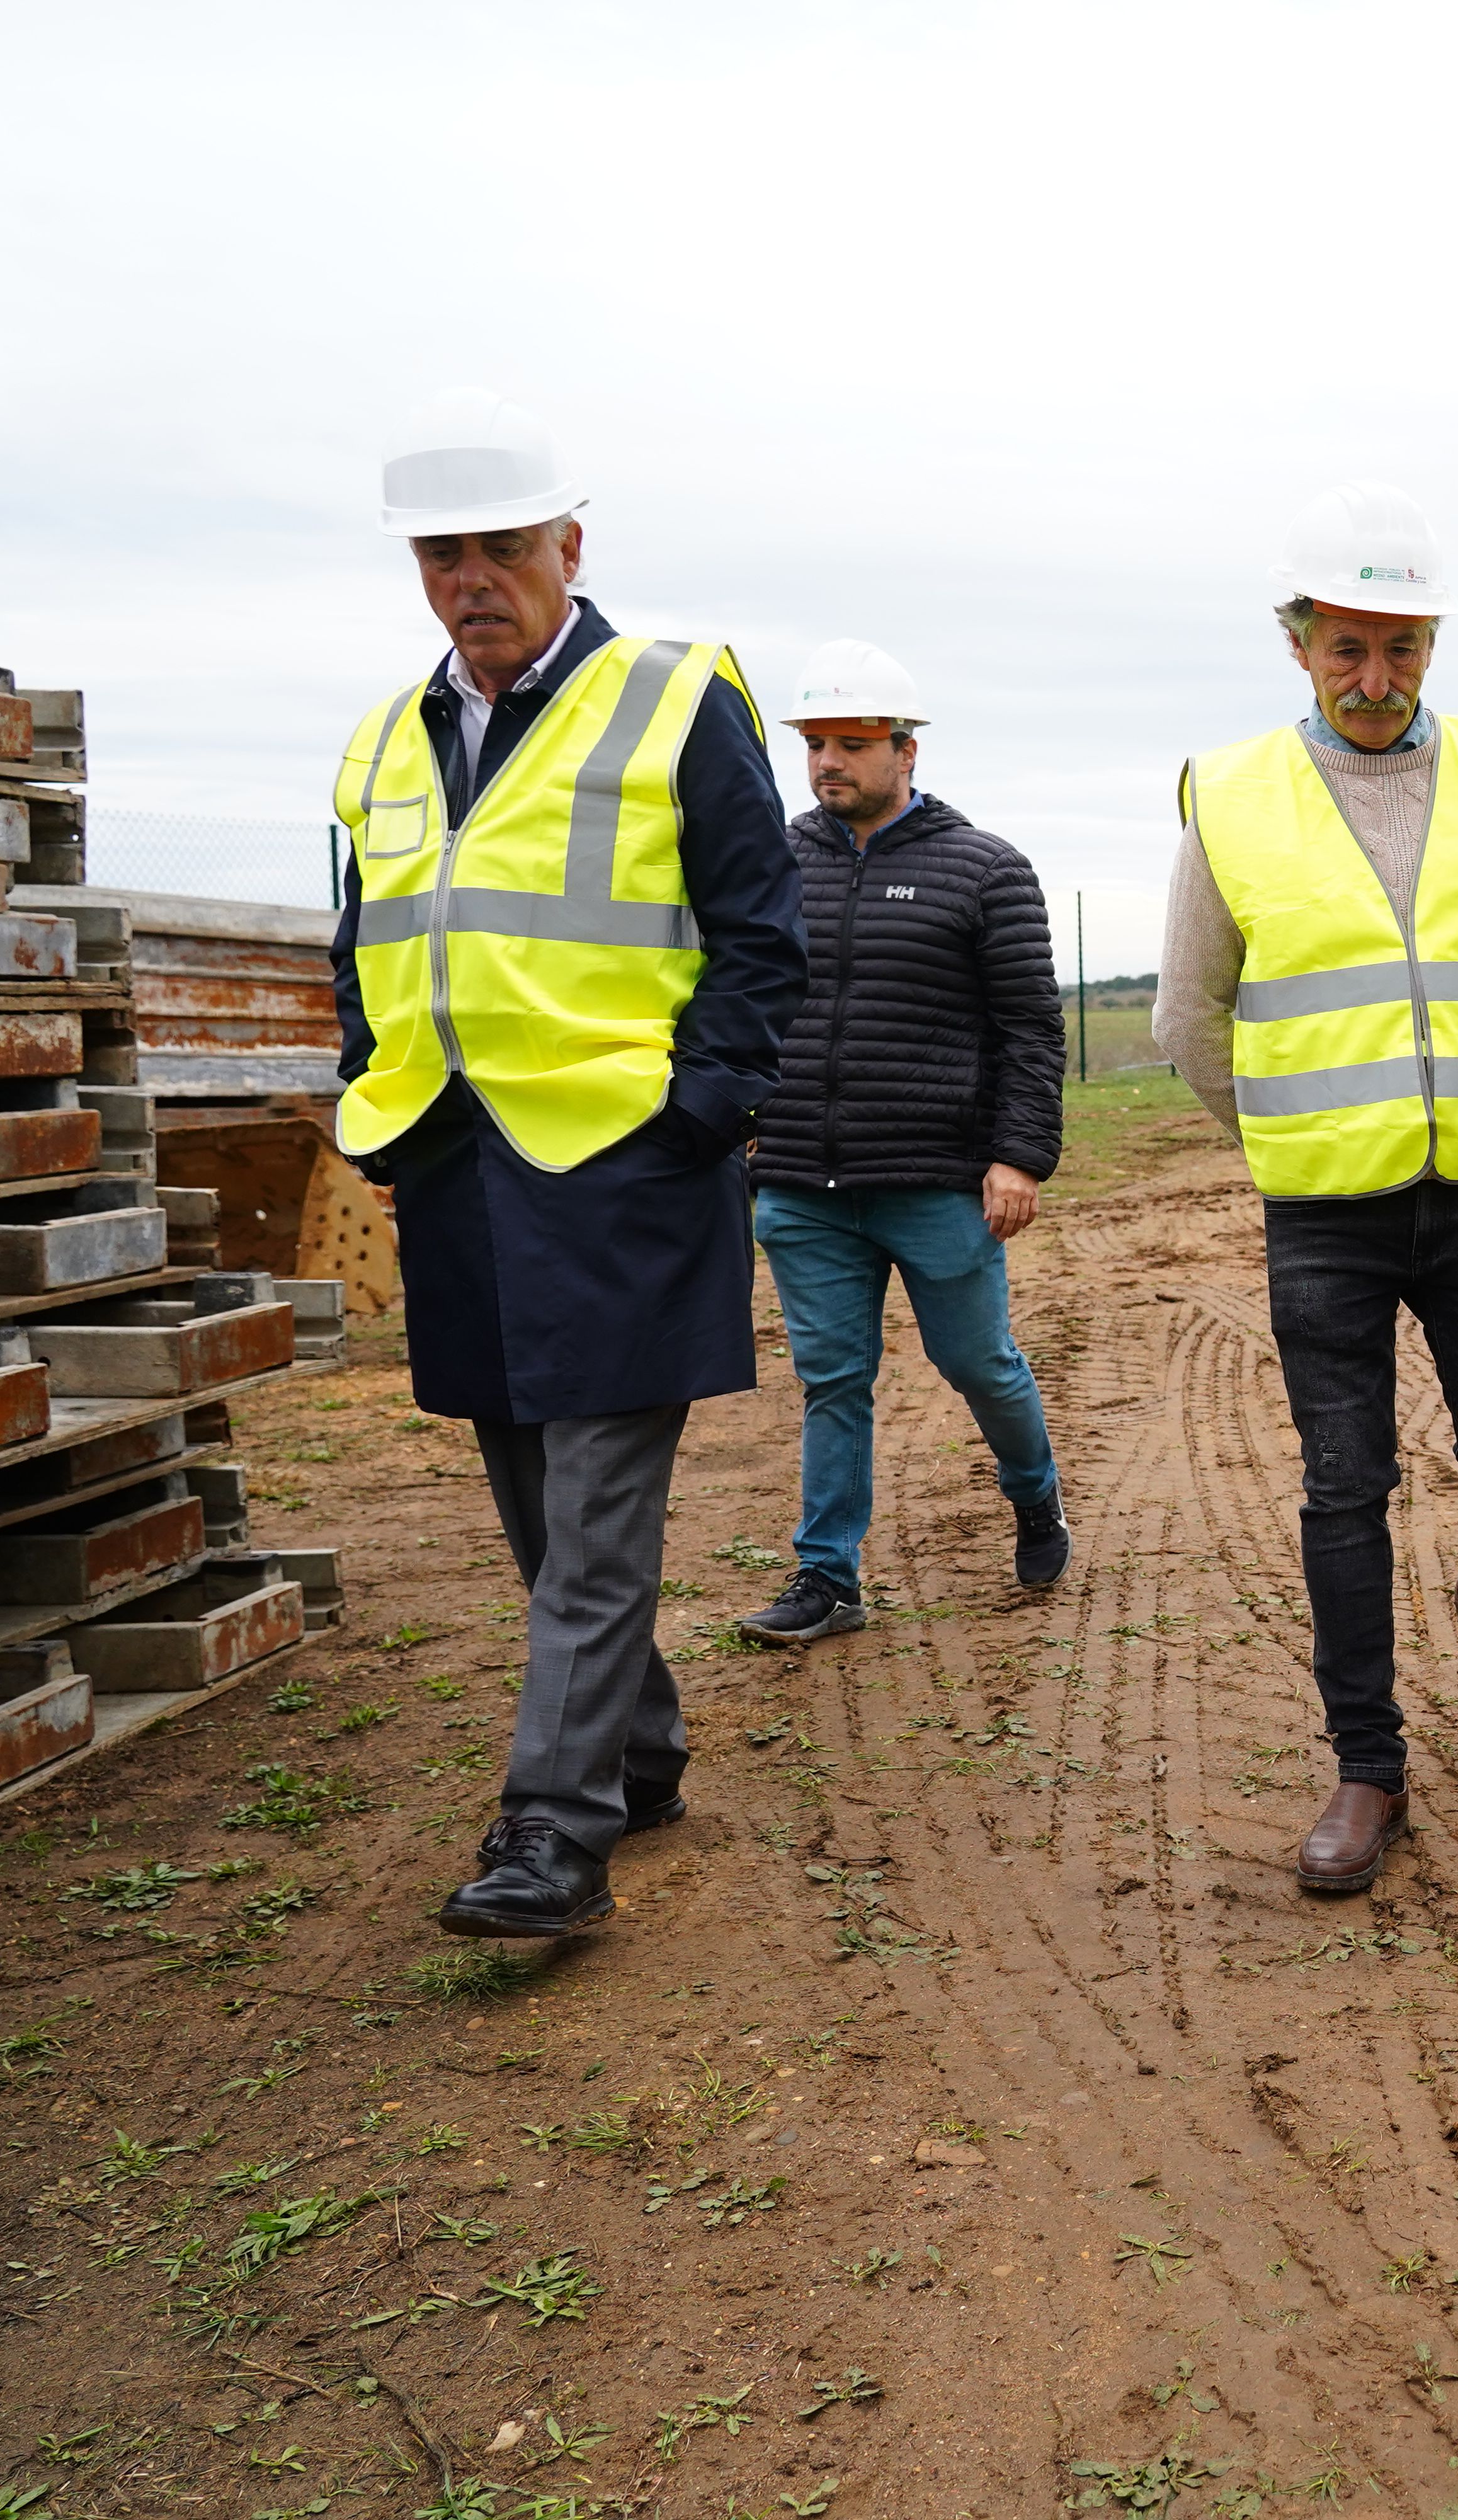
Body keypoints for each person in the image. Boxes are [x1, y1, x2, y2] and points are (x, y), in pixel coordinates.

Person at [331, 389, 807, 1937]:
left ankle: (555, 1825)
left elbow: (760, 932)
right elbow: (367, 949)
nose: (471, 577)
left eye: (501, 547)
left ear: (568, 546)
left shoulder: (675, 700)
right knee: (534, 1494)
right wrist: (380, 1104)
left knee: (600, 1502)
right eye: (442, 554)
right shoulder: (386, 742)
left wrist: (701, 1109)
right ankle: (641, 1747)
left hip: (626, 1163)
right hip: (464, 1165)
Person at [1156, 481, 1458, 1896]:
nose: (1376, 680)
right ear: (1300, 645)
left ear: (1434, 643)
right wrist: (1288, 1132)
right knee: (1347, 1487)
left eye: (1401, 647)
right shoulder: (1235, 794)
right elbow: (1188, 1018)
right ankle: (1368, 1765)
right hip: (1324, 1212)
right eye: (1348, 649)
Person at [738, 639, 1071, 1646]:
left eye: (852, 743)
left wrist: (1019, 1156)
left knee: (980, 1364)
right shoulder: (770, 864)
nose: (828, 762)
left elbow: (1030, 1028)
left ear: (907, 750)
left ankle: (1035, 1496)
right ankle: (827, 1577)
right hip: (801, 1181)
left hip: (936, 1182)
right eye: (815, 744)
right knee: (832, 1381)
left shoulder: (985, 869)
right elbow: (733, 1002)